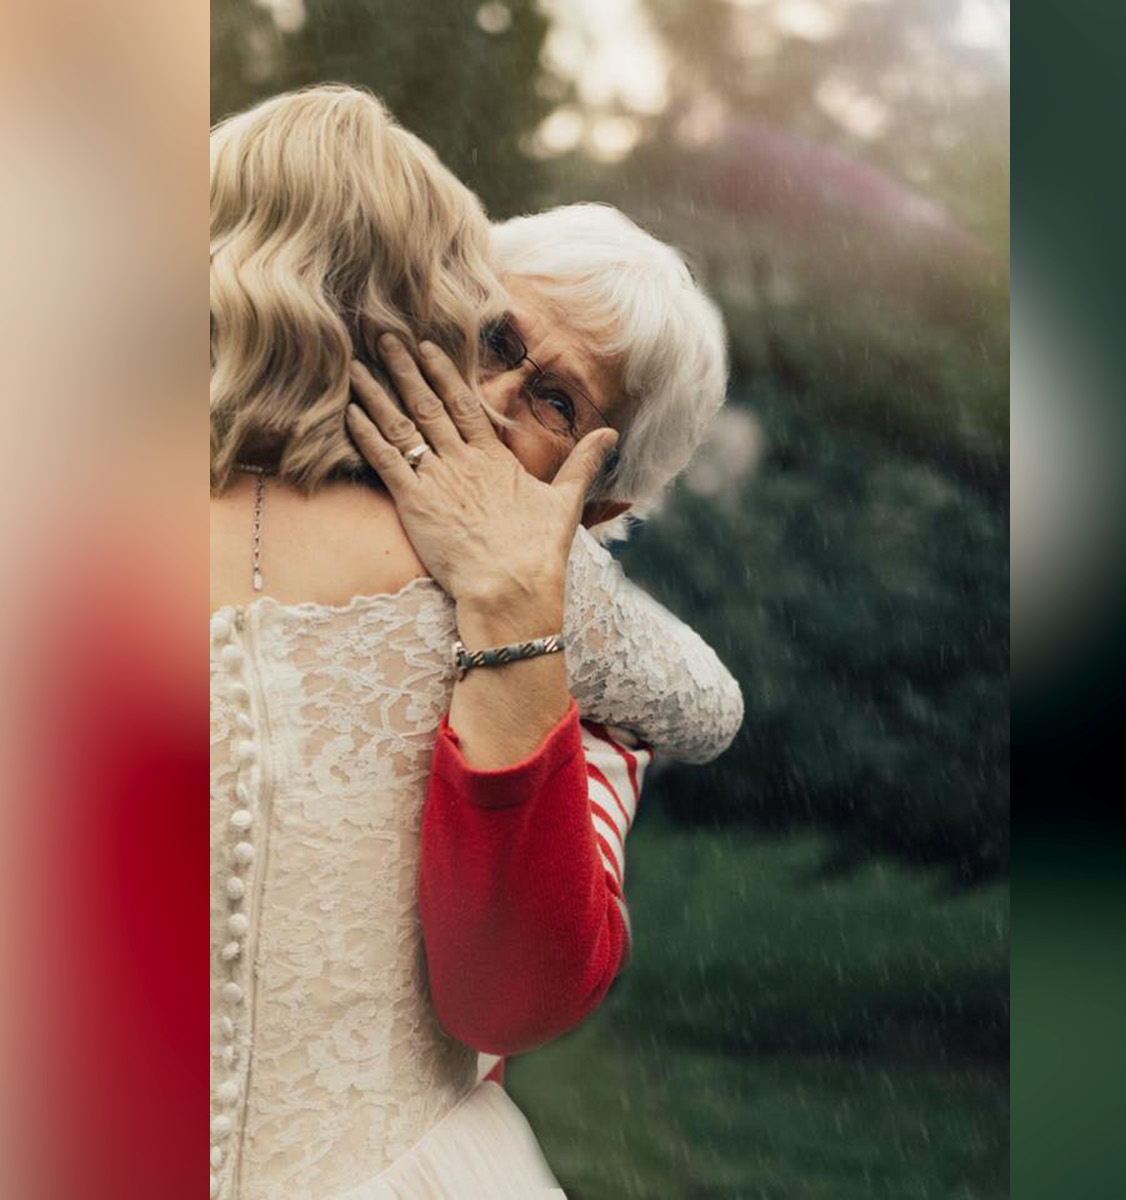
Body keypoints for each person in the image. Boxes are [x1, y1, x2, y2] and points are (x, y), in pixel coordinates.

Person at [204, 85, 738, 1198]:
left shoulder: (598, 690)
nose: (487, 397)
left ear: (597, 508)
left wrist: (514, 614)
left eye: (551, 398)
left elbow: (511, 1000)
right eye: (488, 336)